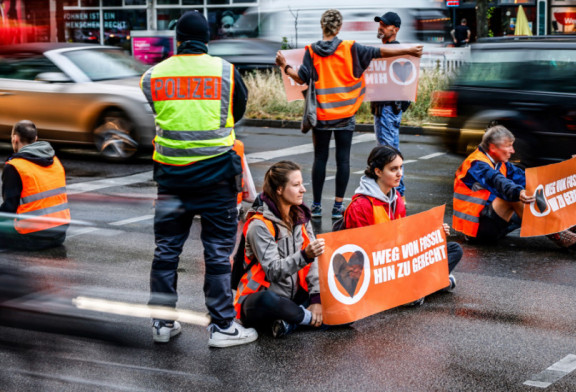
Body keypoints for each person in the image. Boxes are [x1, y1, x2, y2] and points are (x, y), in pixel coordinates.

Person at [139, 10, 257, 348]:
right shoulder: (226, 72)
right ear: (207, 39)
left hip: (170, 179)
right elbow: (238, 110)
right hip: (217, 178)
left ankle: (162, 323)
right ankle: (222, 327)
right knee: (218, 254)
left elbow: (160, 111)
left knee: (166, 251)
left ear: (177, 39)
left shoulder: (152, 76)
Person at [275, 9, 423, 220]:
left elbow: (300, 79)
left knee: (320, 159)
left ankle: (316, 206)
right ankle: (337, 207)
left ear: (322, 25)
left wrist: (284, 65)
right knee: (343, 160)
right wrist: (409, 50)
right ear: (339, 27)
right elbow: (379, 53)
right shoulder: (351, 48)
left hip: (322, 116)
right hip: (345, 115)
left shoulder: (312, 51)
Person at [452, 125, 576, 251]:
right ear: (493, 148)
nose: (513, 151)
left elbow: (529, 179)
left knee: (536, 191)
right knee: (514, 197)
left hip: (493, 223)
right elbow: (497, 181)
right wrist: (518, 192)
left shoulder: (500, 163)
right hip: (476, 231)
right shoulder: (476, 164)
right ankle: (558, 235)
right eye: (508, 146)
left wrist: (564, 175)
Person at [344, 146, 462, 305]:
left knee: (454, 249)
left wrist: (433, 234)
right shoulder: (361, 205)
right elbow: (361, 253)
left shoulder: (397, 197)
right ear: (378, 171)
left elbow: (405, 236)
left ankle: (415, 289)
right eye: (393, 169)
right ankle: (424, 286)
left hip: (398, 262)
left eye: (401, 167)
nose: (400, 173)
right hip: (378, 268)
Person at [233, 161, 326, 338]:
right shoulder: (259, 225)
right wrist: (305, 255)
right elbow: (274, 271)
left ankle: (289, 323)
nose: (303, 190)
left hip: (294, 298)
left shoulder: (301, 217)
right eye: (296, 185)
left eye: (302, 184)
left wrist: (316, 299)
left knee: (344, 308)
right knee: (269, 301)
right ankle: (307, 319)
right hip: (261, 300)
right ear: (279, 190)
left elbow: (315, 264)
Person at [0, 120, 70, 250]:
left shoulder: (15, 167)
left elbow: (9, 209)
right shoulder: (55, 161)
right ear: (36, 139)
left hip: (32, 237)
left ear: (15, 139)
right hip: (59, 234)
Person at [371, 12, 410, 198]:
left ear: (395, 29)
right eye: (380, 24)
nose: (381, 27)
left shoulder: (393, 50)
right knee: (391, 151)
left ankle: (396, 196)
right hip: (388, 108)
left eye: (385, 25)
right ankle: (397, 195)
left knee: (388, 154)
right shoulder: (391, 49)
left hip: (387, 108)